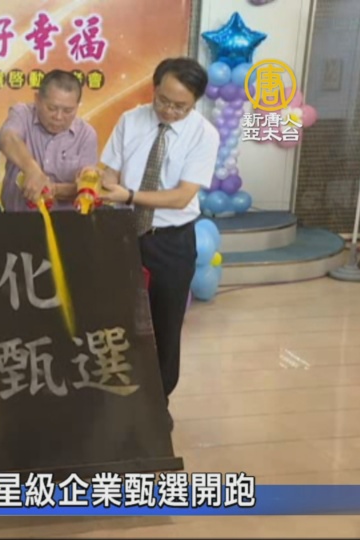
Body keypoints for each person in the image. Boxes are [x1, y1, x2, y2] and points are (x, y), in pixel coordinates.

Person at [97, 57, 220, 429]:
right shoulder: (130, 120)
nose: (168, 110)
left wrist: (129, 194)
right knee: (115, 320)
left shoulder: (204, 134)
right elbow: (109, 171)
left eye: (180, 106)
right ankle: (112, 398)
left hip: (171, 241)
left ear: (195, 102)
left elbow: (182, 197)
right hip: (123, 233)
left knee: (165, 324)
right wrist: (105, 184)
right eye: (163, 100)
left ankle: (157, 402)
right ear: (154, 88)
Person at [0, 70, 98, 211]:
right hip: (16, 218)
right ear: (37, 99)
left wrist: (52, 189)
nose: (58, 116)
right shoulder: (22, 114)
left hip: (66, 220)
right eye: (51, 108)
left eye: (68, 111)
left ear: (77, 106)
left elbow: (86, 187)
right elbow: (7, 138)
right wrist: (32, 170)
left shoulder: (86, 135)